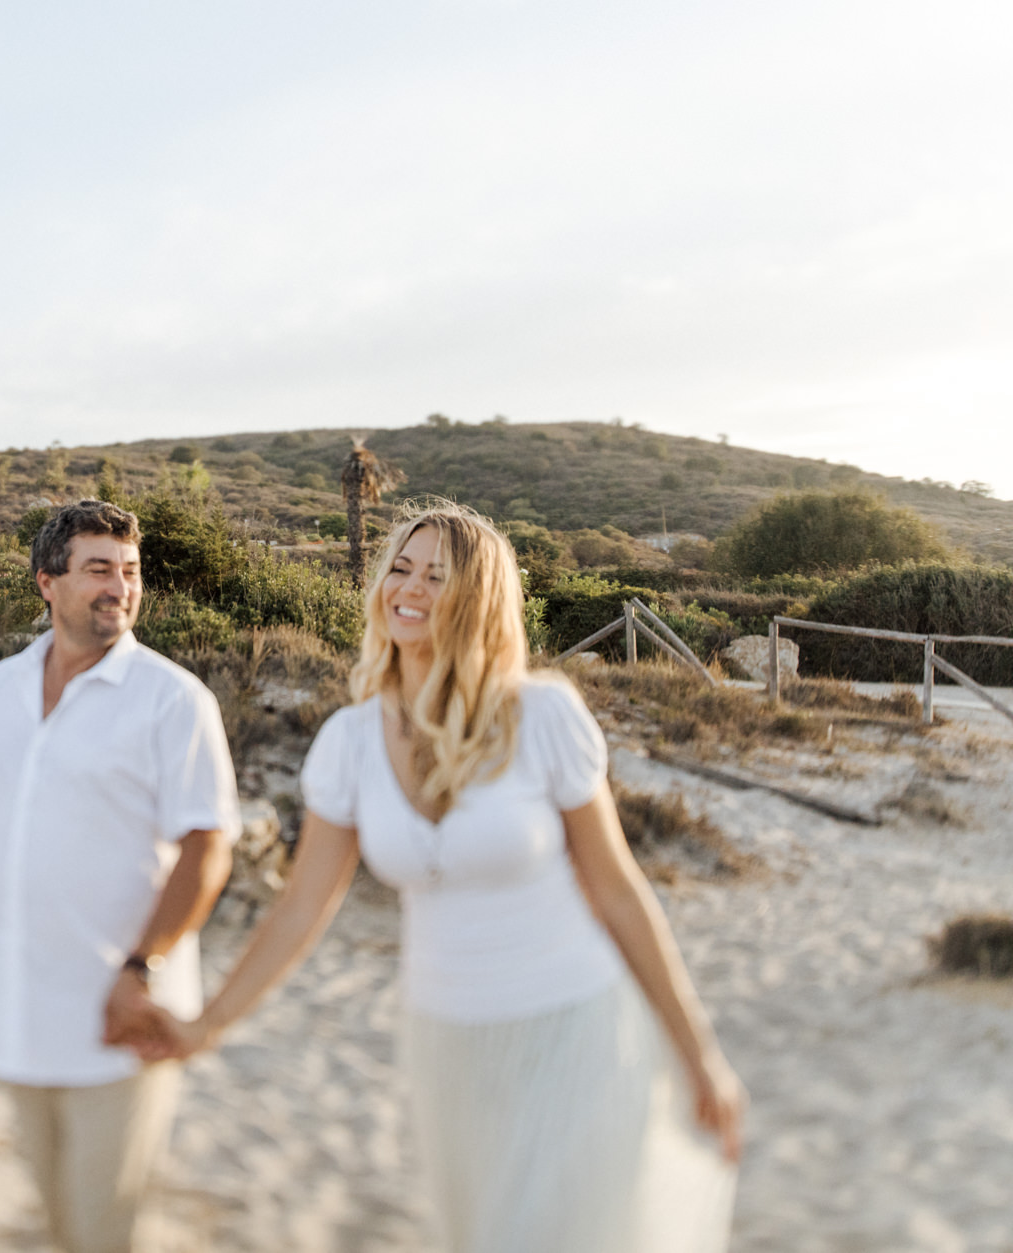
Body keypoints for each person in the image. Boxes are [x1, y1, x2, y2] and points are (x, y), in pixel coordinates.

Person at [117, 502, 743, 1253]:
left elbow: (617, 891)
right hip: (448, 1042)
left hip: (573, 1027)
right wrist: (207, 1023)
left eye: (435, 575)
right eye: (400, 569)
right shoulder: (348, 742)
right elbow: (301, 907)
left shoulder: (543, 716)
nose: (406, 588)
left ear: (476, 598)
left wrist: (698, 1053)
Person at [0, 498, 241, 1253]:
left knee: (105, 1228)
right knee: (58, 1218)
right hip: (20, 1003)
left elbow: (208, 848)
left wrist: (142, 966)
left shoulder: (174, 701)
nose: (120, 588)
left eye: (130, 572)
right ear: (48, 583)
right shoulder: (0, 687)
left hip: (122, 1014)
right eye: (99, 569)